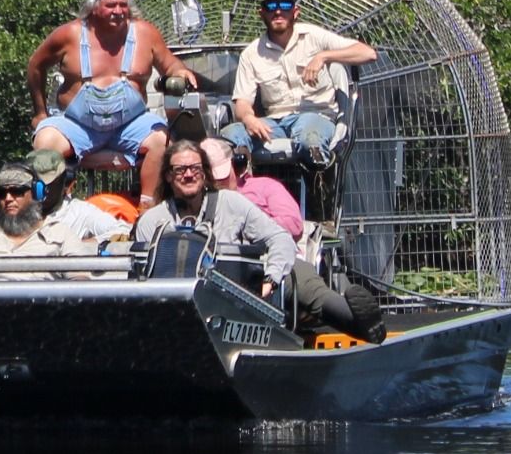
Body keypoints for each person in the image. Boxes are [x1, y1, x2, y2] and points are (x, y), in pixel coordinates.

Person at [131, 145, 379, 340]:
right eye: (180, 170)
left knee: (299, 277)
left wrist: (270, 276)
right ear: (168, 176)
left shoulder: (240, 198)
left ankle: (358, 321)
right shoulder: (152, 220)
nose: (188, 175)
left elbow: (285, 232)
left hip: (247, 285)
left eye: (195, 169)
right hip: (183, 301)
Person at [27, 0, 198, 199]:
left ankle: (148, 209)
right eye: (110, 5)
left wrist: (179, 71)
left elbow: (169, 62)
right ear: (94, 7)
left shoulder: (145, 33)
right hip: (77, 125)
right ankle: (50, 208)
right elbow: (35, 66)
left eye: (122, 5)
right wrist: (40, 112)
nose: (118, 11)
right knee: (45, 142)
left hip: (130, 125)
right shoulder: (70, 34)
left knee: (161, 140)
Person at [224, 0, 377, 168]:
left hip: (316, 116)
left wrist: (323, 56)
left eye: (285, 6)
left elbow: (368, 53)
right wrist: (249, 120)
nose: (278, 11)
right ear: (261, 14)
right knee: (230, 136)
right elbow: (242, 103)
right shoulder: (251, 54)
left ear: (295, 12)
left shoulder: (314, 36)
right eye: (271, 6)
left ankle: (320, 187)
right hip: (275, 123)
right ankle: (245, 188)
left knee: (309, 140)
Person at [0, 162, 131, 258]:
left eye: (17, 191)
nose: (8, 198)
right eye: (2, 193)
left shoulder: (59, 233)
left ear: (36, 194)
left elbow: (79, 279)